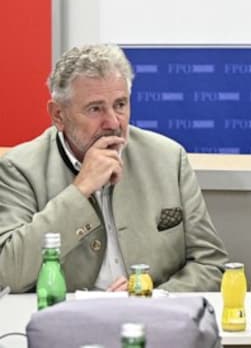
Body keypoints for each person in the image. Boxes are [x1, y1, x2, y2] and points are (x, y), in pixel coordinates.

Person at [0, 44, 229, 292]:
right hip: (67, 321)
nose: (112, 122)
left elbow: (211, 264)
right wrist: (80, 190)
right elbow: (8, 273)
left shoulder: (168, 158)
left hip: (153, 320)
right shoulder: (19, 169)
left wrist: (154, 298)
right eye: (95, 109)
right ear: (58, 115)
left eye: (120, 105)